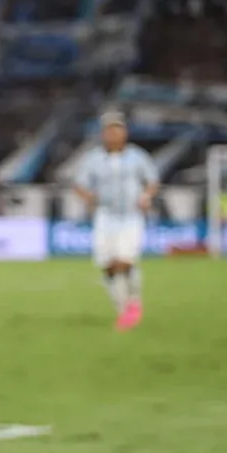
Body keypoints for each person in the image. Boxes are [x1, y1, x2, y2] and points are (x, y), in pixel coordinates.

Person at [73, 111, 158, 330]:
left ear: (124, 133)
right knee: (108, 265)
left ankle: (134, 302)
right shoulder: (94, 159)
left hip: (130, 215)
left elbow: (152, 180)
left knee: (125, 260)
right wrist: (88, 197)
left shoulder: (137, 157)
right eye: (109, 130)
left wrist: (146, 196)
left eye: (117, 129)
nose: (113, 134)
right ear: (103, 133)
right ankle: (124, 308)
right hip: (105, 215)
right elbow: (79, 183)